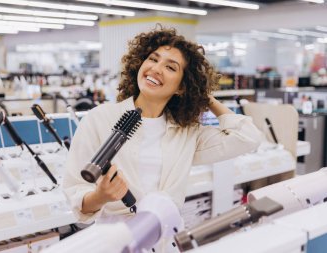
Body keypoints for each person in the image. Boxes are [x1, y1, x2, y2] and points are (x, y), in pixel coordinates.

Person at [63, 26, 263, 232]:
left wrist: (206, 97)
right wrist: (100, 196)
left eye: (171, 67)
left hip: (166, 238)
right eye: (153, 59)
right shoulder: (100, 118)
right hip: (115, 238)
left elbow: (248, 138)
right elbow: (76, 195)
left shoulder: (187, 132)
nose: (156, 69)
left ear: (181, 87)